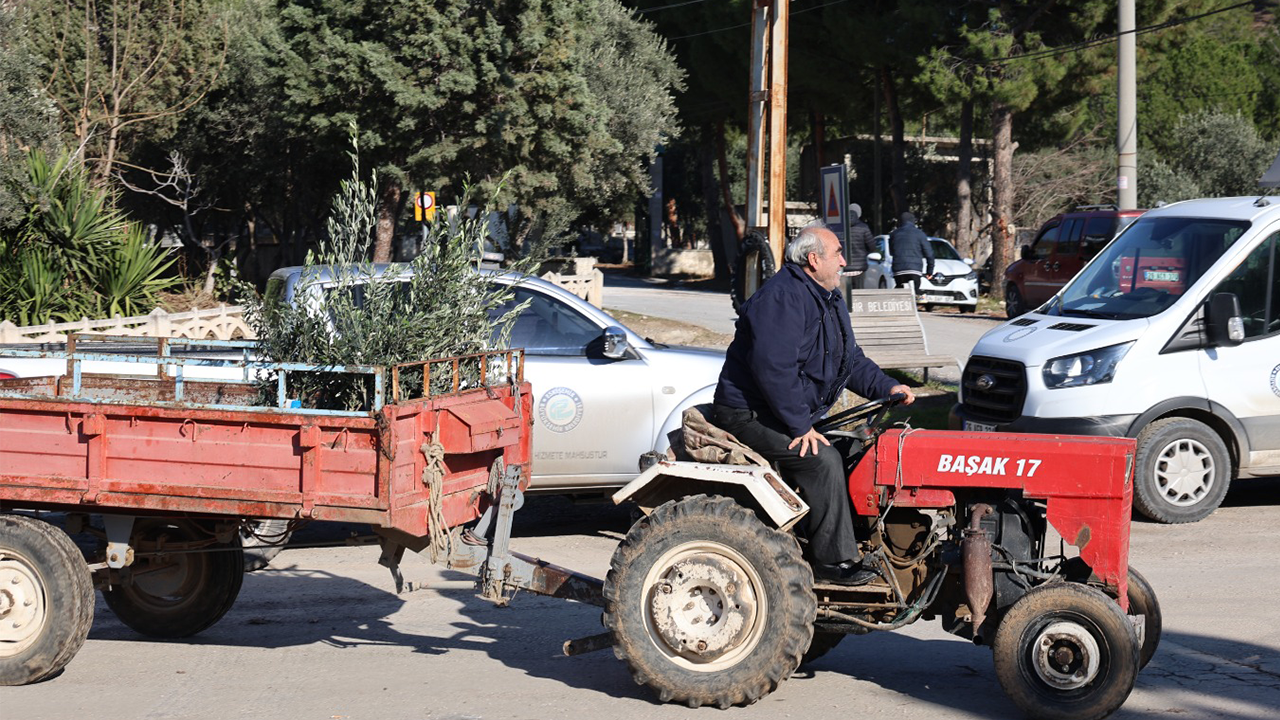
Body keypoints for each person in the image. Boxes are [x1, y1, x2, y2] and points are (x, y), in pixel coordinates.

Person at [711, 225, 915, 586]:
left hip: (785, 411)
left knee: (857, 450)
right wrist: (801, 426)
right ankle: (833, 563)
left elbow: (849, 360)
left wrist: (888, 386)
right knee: (822, 461)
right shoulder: (782, 299)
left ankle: (857, 539)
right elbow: (773, 369)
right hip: (748, 413)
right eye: (837, 253)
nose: (843, 261)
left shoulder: (828, 298)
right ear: (813, 258)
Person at [888, 211, 934, 296]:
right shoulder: (920, 234)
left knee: (900, 290)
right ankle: (917, 297)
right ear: (913, 221)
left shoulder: (894, 234)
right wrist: (929, 271)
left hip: (899, 268)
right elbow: (929, 254)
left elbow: (891, 252)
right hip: (915, 269)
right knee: (915, 290)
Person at [845, 203, 877, 289]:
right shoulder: (864, 228)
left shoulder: (841, 228)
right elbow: (872, 246)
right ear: (859, 214)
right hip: (860, 268)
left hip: (843, 267)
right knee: (858, 293)